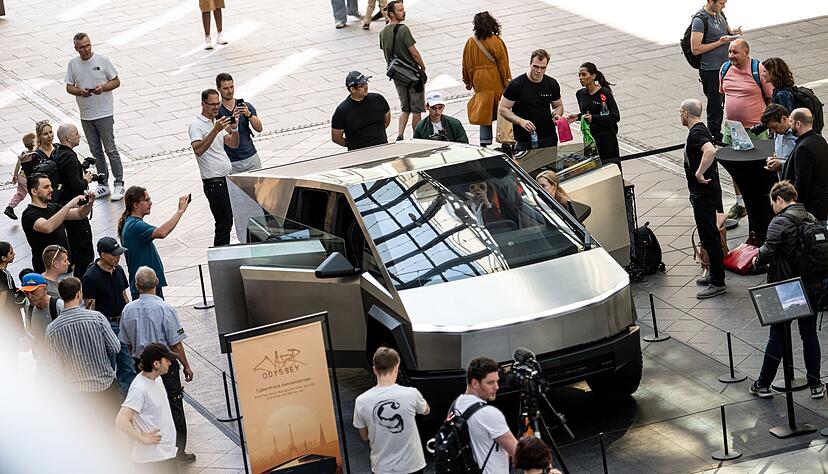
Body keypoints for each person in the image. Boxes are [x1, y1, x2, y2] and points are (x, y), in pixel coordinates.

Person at [750, 180, 824, 399]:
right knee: (809, 336)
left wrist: (755, 258)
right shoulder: (810, 217)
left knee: (777, 336)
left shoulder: (779, 222)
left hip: (787, 287)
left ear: (779, 199)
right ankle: (816, 385)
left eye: (773, 203)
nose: (772, 207)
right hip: (812, 285)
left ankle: (762, 384)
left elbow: (767, 251)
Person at [120, 266, 195, 465]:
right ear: (156, 283)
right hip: (165, 365)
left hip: (141, 364)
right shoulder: (165, 308)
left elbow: (127, 343)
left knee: (149, 411)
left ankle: (156, 445)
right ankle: (179, 451)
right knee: (174, 406)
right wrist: (185, 365)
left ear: (136, 286)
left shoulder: (128, 310)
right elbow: (176, 343)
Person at [64, 33, 125, 201]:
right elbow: (69, 86)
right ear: (76, 48)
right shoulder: (73, 64)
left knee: (110, 149)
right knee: (96, 150)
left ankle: (119, 183)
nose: (86, 49)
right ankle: (103, 183)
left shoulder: (102, 60)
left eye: (88, 45)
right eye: (82, 47)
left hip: (104, 112)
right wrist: (80, 91)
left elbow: (116, 81)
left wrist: (103, 88)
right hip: (86, 114)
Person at [46, 277, 121, 409]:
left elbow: (55, 368)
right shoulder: (97, 318)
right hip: (104, 384)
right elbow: (115, 347)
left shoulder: (52, 329)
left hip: (76, 393)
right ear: (79, 294)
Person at [719, 39, 773, 221]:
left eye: (735, 52)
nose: (731, 56)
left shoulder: (758, 70)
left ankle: (763, 200)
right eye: (729, 52)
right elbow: (723, 94)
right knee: (736, 167)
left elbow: (770, 97)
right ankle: (740, 203)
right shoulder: (725, 69)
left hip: (755, 129)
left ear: (746, 52)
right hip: (732, 128)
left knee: (760, 167)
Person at [353, 347, 429, 474]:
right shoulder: (411, 393)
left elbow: (364, 436)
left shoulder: (361, 401)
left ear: (374, 370)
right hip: (412, 466)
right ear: (396, 368)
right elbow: (426, 410)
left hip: (382, 468)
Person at [680, 99, 726, 299]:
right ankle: (714, 273)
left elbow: (710, 150)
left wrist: (699, 173)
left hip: (703, 194)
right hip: (709, 192)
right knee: (709, 235)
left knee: (710, 236)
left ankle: (717, 281)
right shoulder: (702, 128)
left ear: (684, 113)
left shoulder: (696, 133)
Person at [116, 343, 181, 473]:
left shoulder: (157, 379)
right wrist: (141, 438)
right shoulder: (139, 389)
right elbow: (121, 420)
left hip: (166, 454)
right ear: (156, 364)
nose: (170, 363)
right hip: (153, 461)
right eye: (166, 360)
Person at [82, 237, 135, 394]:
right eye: (115, 254)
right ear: (103, 255)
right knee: (110, 366)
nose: (118, 257)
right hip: (106, 326)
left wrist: (129, 318)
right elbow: (91, 307)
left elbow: (124, 295)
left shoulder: (118, 270)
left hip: (122, 322)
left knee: (128, 366)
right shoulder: (90, 277)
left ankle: (128, 401)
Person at [119, 186, 189, 300]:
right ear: (135, 204)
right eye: (146, 200)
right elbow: (161, 232)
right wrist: (180, 211)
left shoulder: (130, 223)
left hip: (147, 285)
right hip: (146, 287)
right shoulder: (136, 225)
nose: (150, 203)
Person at [189, 89, 239, 247]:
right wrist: (215, 130)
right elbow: (198, 150)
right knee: (223, 224)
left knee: (228, 221)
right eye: (212, 104)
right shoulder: (197, 125)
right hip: (214, 182)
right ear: (203, 104)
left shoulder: (215, 123)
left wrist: (235, 128)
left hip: (225, 179)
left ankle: (223, 253)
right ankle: (220, 256)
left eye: (218, 103)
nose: (216, 107)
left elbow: (232, 143)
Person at [451, 357, 518, 474]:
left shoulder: (457, 404)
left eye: (497, 381)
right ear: (475, 383)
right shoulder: (488, 414)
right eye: (490, 383)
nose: (496, 387)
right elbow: (519, 454)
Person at [689, 0, 741, 145]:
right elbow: (696, 48)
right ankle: (714, 138)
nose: (724, 5)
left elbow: (725, 32)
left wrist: (733, 33)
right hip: (711, 70)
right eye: (721, 2)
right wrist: (720, 42)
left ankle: (726, 133)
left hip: (726, 67)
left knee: (729, 102)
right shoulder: (700, 20)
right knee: (715, 106)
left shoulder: (720, 14)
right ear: (710, 1)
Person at [21, 173, 94, 273]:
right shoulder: (29, 214)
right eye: (46, 187)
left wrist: (89, 203)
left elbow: (80, 214)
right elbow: (47, 227)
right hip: (47, 271)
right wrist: (69, 205)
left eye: (50, 186)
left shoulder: (53, 207)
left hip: (65, 267)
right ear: (34, 191)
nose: (51, 189)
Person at [462, 11, 511, 147]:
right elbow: (503, 64)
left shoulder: (470, 42)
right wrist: (507, 80)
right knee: (502, 111)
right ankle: (504, 139)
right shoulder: (496, 41)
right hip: (496, 81)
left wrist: (468, 82)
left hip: (480, 84)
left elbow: (466, 64)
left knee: (484, 112)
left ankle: (484, 143)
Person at [499, 49, 564, 151]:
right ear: (530, 64)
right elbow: (503, 109)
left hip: (548, 136)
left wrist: (557, 115)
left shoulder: (551, 83)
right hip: (524, 139)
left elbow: (558, 105)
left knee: (550, 166)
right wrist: (521, 121)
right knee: (526, 166)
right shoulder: (516, 85)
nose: (539, 71)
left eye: (543, 68)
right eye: (536, 66)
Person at [380, 1, 427, 140]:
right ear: (391, 14)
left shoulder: (383, 33)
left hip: (397, 74)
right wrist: (422, 67)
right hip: (412, 74)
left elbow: (386, 53)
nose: (403, 12)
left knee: (405, 108)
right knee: (416, 109)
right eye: (400, 10)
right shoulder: (403, 30)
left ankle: (400, 135)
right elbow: (414, 53)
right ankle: (417, 137)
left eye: (403, 9)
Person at [53, 123, 95, 277]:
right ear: (68, 137)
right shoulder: (69, 156)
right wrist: (86, 179)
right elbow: (76, 184)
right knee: (84, 249)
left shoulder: (58, 153)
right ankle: (82, 282)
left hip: (64, 206)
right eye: (76, 133)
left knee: (75, 246)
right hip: (74, 208)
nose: (79, 136)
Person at [779, 108, 828, 222]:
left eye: (791, 121)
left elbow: (801, 185)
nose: (789, 124)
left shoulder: (803, 148)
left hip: (810, 209)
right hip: (821, 204)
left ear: (798, 124)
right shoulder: (820, 140)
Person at [568, 62, 620, 166]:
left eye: (584, 75)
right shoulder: (580, 94)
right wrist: (578, 117)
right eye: (579, 75)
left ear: (593, 76)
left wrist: (594, 118)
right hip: (590, 138)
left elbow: (615, 117)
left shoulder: (604, 93)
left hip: (607, 137)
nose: (580, 78)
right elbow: (586, 113)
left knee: (611, 167)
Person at [215, 73, 263, 174]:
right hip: (231, 162)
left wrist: (249, 115)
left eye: (232, 87)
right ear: (218, 89)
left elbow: (259, 128)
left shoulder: (245, 106)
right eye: (226, 88)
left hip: (251, 157)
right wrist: (232, 121)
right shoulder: (216, 111)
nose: (230, 91)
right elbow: (216, 135)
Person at [331, 71, 391, 151]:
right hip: (359, 153)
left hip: (382, 147)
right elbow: (336, 138)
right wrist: (354, 144)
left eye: (366, 83)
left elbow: (386, 120)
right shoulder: (342, 111)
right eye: (362, 85)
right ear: (352, 89)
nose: (366, 87)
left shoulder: (378, 99)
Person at [20, 273, 63, 363]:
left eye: (33, 292)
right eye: (26, 293)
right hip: (42, 360)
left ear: (45, 289)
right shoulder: (29, 307)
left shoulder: (58, 307)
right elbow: (30, 332)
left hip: (61, 360)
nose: (29, 297)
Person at [751, 57, 797, 135]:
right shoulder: (780, 90)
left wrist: (758, 128)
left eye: (765, 71)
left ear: (773, 73)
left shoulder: (782, 95)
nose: (762, 74)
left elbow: (782, 118)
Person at [4, 132, 36, 220]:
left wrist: (15, 176)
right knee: (36, 195)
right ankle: (36, 211)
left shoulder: (23, 153)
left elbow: (18, 164)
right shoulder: (34, 154)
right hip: (27, 179)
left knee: (20, 194)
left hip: (21, 176)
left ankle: (10, 207)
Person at [761, 104, 797, 179]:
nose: (774, 131)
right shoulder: (778, 133)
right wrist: (773, 159)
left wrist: (781, 165)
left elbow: (801, 163)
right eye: (771, 129)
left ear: (784, 119)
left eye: (775, 127)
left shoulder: (797, 134)